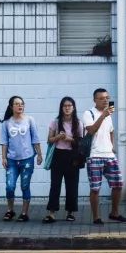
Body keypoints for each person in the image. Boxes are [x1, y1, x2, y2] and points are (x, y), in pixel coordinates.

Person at [82, 88, 126, 224]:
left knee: (118, 184)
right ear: (95, 100)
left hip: (109, 156)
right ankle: (96, 217)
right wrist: (103, 116)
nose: (105, 100)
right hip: (94, 156)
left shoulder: (108, 115)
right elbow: (90, 130)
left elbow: (111, 131)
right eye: (102, 98)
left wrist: (112, 146)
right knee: (95, 188)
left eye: (107, 98)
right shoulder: (88, 113)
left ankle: (114, 213)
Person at [0, 95, 42, 222]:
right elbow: (4, 142)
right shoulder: (6, 123)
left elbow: (35, 139)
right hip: (12, 160)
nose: (20, 106)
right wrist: (3, 157)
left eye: (22, 104)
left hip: (27, 159)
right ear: (11, 106)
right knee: (9, 186)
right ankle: (10, 210)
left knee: (25, 186)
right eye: (17, 104)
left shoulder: (30, 120)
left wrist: (39, 154)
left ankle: (24, 213)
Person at [44, 96, 84, 224]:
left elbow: (81, 142)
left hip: (73, 156)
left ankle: (70, 212)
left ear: (73, 107)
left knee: (72, 185)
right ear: (61, 108)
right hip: (58, 155)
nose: (67, 108)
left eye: (69, 106)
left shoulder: (78, 123)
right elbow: (49, 140)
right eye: (65, 106)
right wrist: (57, 137)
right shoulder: (55, 122)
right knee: (55, 184)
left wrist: (69, 139)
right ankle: (51, 213)